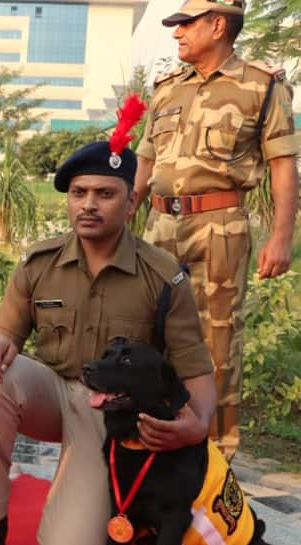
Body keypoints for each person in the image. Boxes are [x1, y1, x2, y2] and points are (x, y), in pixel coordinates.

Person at [0, 116, 216, 545]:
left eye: (104, 194)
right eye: (79, 193)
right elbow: (5, 332)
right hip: (52, 392)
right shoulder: (39, 264)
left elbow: (193, 363)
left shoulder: (162, 277)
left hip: (110, 415)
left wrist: (198, 424)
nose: (88, 205)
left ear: (132, 203)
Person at [133, 0, 299, 460]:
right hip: (160, 225)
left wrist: (281, 237)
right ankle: (152, 442)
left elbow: (284, 166)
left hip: (219, 226)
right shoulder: (167, 88)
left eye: (187, 24)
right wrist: (125, 210)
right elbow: (146, 162)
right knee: (150, 332)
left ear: (219, 24)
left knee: (218, 343)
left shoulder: (260, 87)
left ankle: (215, 457)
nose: (176, 33)